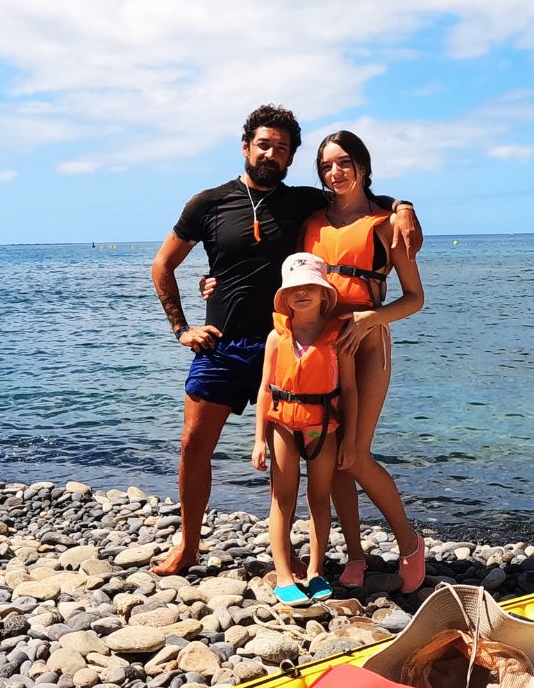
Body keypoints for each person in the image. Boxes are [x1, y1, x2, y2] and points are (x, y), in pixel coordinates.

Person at [150, 104, 420, 576]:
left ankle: (297, 555)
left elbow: (359, 196)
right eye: (263, 144)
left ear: (291, 156)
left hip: (296, 343)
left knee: (298, 454)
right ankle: (189, 544)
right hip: (223, 344)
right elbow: (162, 265)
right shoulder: (207, 203)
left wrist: (404, 206)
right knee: (194, 443)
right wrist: (181, 328)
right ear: (245, 147)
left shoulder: (304, 204)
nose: (271, 153)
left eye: (281, 147)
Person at [302, 130, 426, 592]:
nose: (335, 172)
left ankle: (409, 542)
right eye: (326, 166)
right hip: (321, 345)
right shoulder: (312, 221)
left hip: (368, 343)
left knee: (355, 454)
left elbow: (414, 297)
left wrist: (372, 317)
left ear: (363, 166)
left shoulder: (388, 224)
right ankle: (355, 553)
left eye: (344, 162)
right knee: (332, 456)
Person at [252, 253, 357, 605]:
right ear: (284, 296)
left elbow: (350, 390)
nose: (301, 293)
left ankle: (315, 570)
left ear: (324, 293)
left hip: (323, 427)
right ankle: (283, 574)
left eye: (310, 287)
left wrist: (351, 439)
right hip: (283, 425)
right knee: (282, 499)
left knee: (319, 497)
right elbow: (265, 389)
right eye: (294, 289)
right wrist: (259, 440)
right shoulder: (275, 338)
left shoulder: (338, 338)